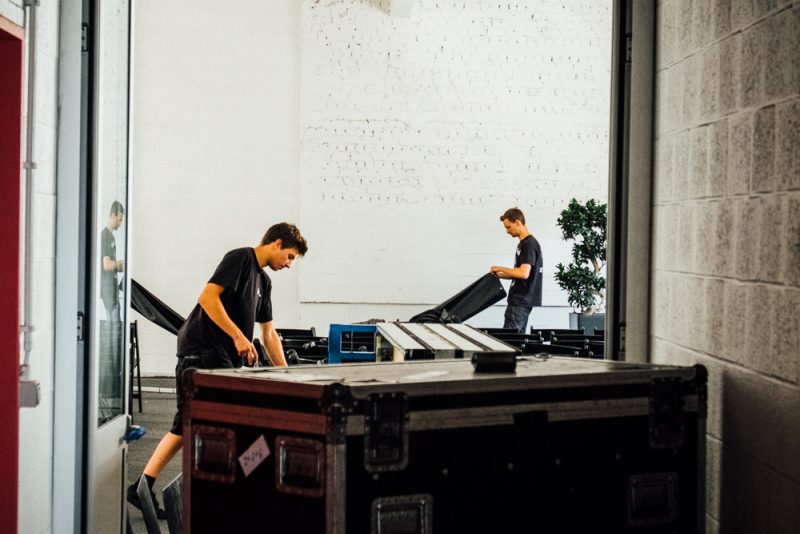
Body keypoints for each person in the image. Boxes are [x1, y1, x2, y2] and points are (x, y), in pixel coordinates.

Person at [126, 222, 308, 517]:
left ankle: (144, 486)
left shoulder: (264, 282)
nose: (289, 264)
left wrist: (290, 376)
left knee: (193, 424)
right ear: (276, 243)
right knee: (210, 421)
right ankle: (222, 490)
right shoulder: (241, 258)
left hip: (223, 358)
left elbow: (269, 334)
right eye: (289, 257)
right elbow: (208, 298)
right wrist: (238, 336)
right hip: (201, 351)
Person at [490, 207, 543, 333]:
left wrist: (500, 267)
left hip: (520, 300)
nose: (507, 231)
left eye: (508, 227)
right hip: (522, 301)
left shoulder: (529, 244)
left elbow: (524, 273)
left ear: (518, 222)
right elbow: (519, 273)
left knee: (510, 339)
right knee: (518, 339)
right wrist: (499, 275)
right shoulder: (525, 244)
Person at [101, 201, 125, 322]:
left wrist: (122, 267)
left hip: (112, 290)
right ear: (113, 215)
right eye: (119, 220)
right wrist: (121, 263)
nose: (120, 224)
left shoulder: (111, 236)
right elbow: (106, 265)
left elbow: (112, 266)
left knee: (116, 322)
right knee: (114, 324)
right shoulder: (105, 236)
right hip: (108, 291)